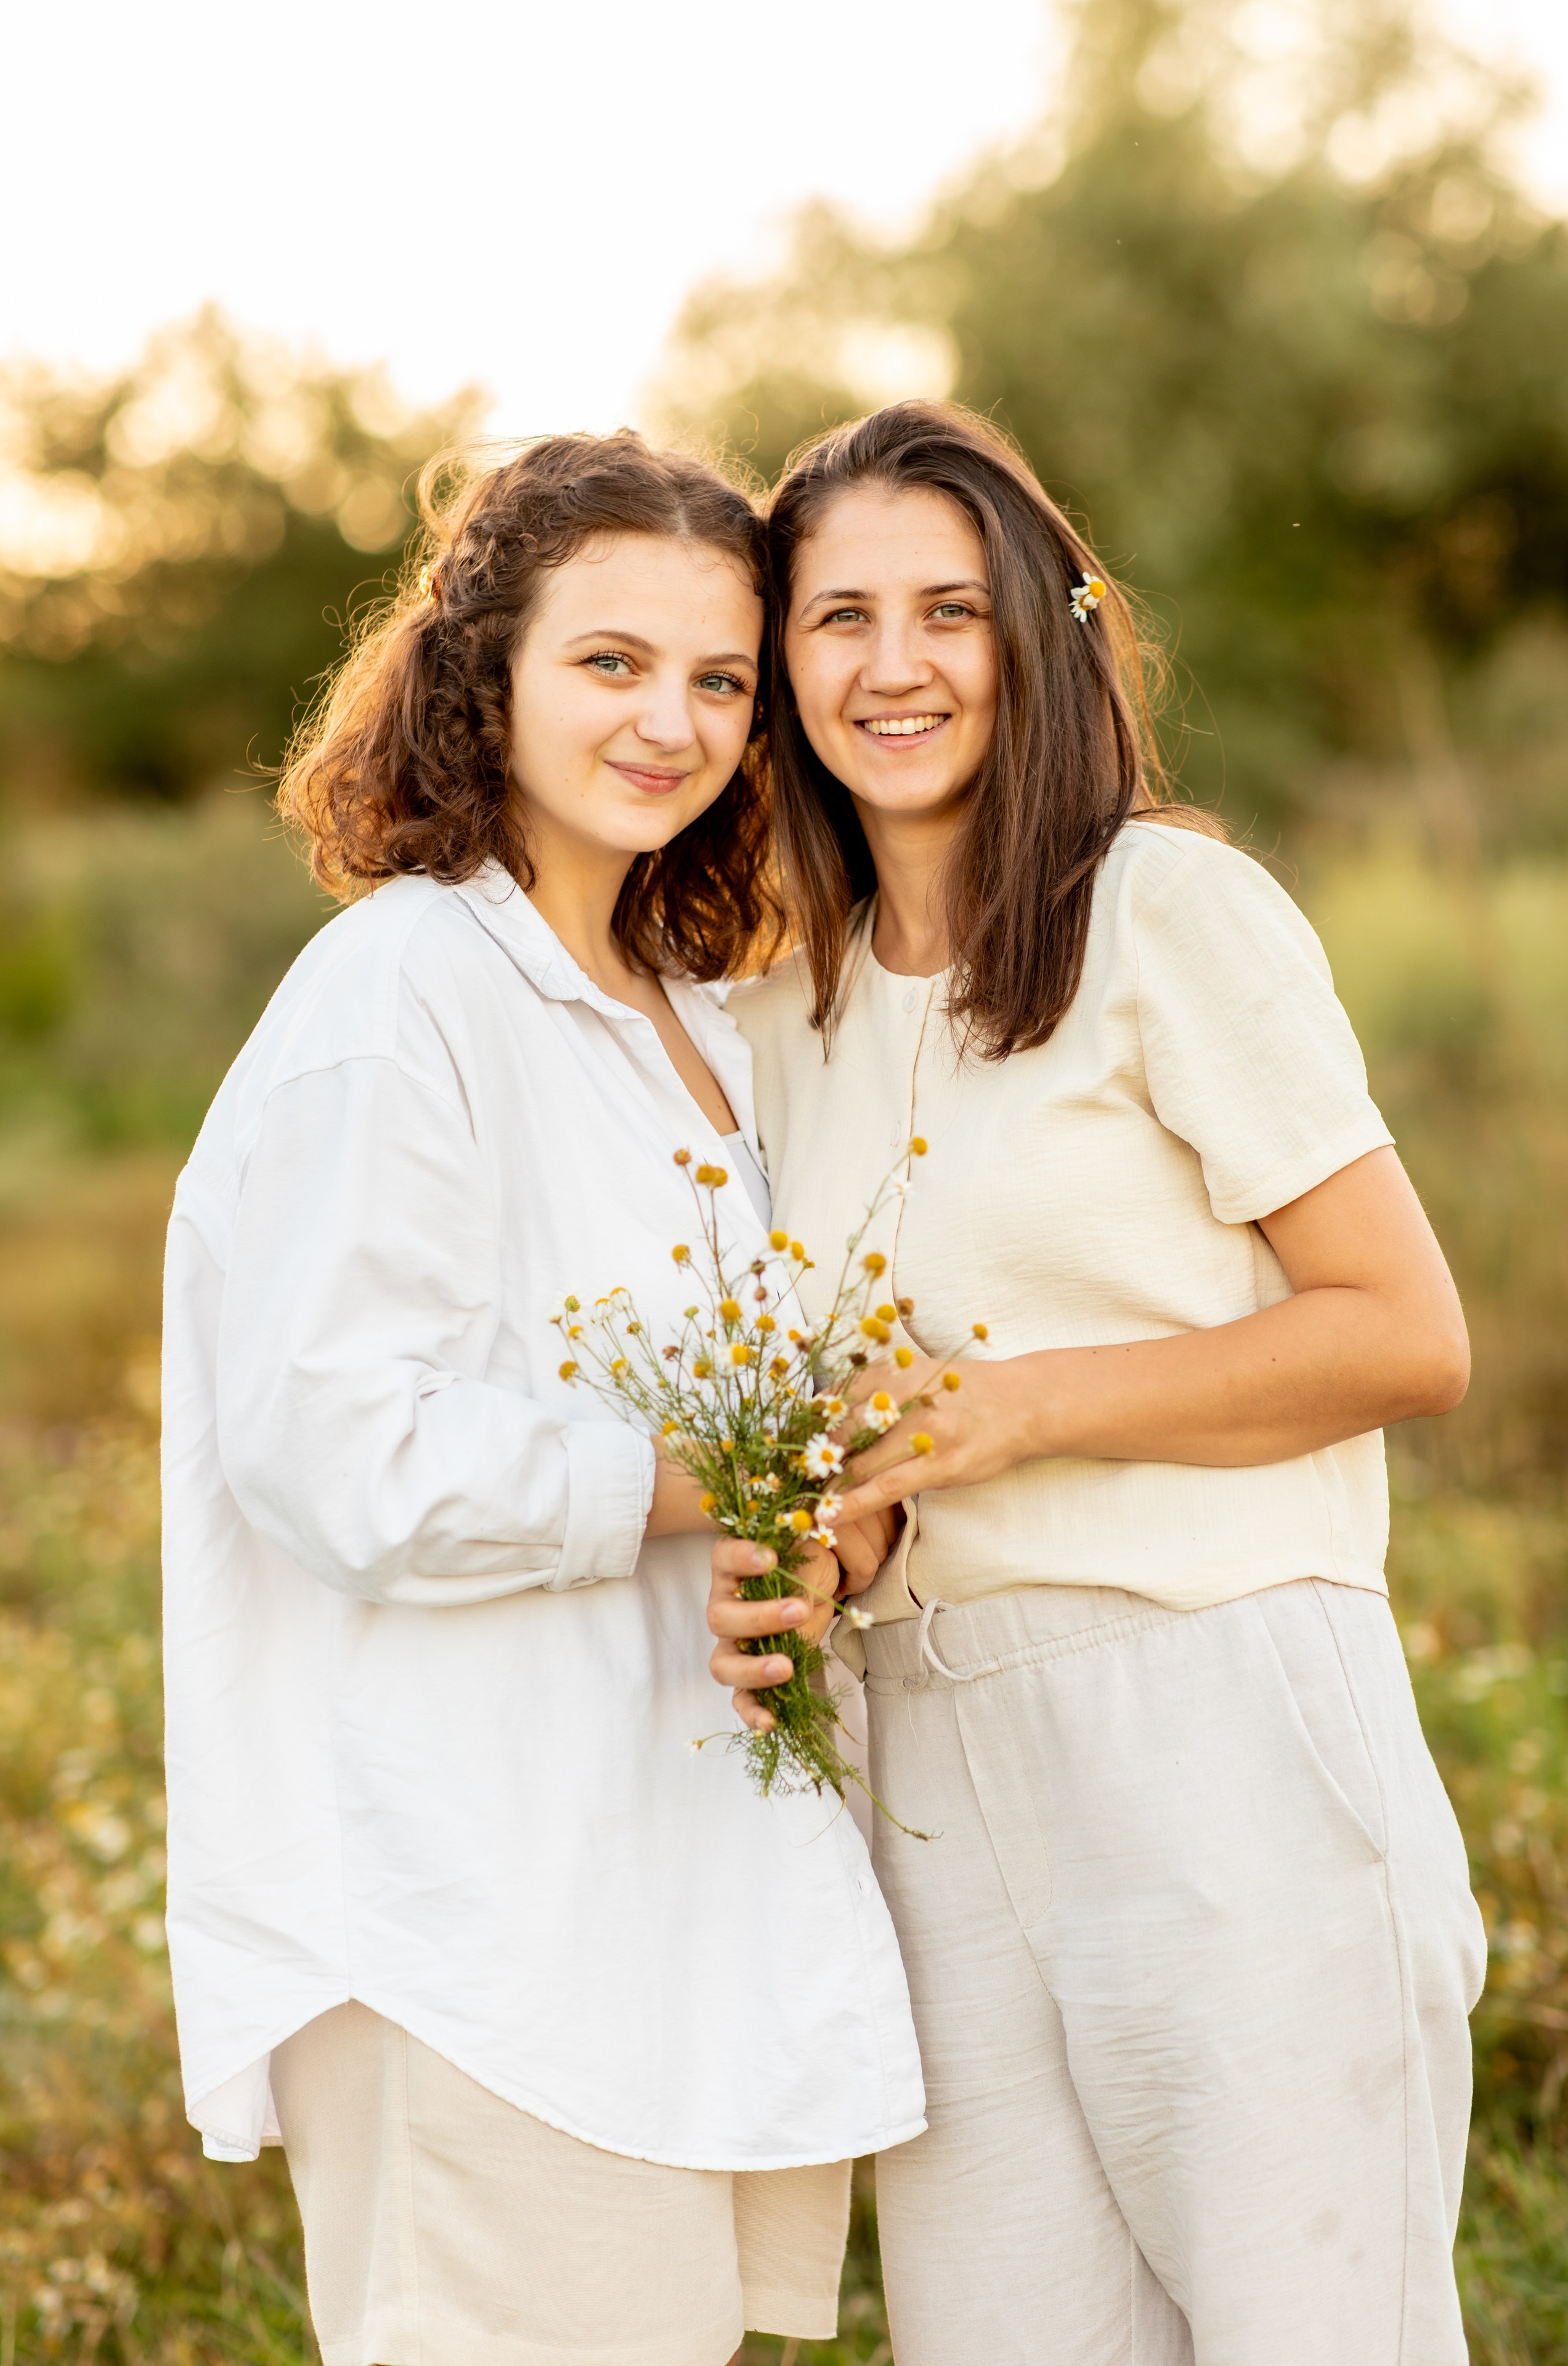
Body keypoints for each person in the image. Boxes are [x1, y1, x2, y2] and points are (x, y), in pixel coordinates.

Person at [712, 400, 1487, 2366]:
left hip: (1215, 1721)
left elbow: (1406, 1329)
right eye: (839, 619)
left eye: (949, 611)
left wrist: (1030, 1409)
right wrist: (842, 1523)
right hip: (932, 1777)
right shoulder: (779, 1003)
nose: (894, 668)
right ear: (781, 663)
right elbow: (861, 1403)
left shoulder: (1168, 914)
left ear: (1040, 635)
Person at [161, 430, 922, 2366]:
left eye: (721, 679)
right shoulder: (399, 990)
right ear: (482, 674)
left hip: (657, 1915)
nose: (670, 720)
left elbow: (729, 1429)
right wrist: (705, 1477)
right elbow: (336, 1447)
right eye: (609, 662)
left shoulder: (701, 1028)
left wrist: (815, 1531)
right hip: (472, 1929)